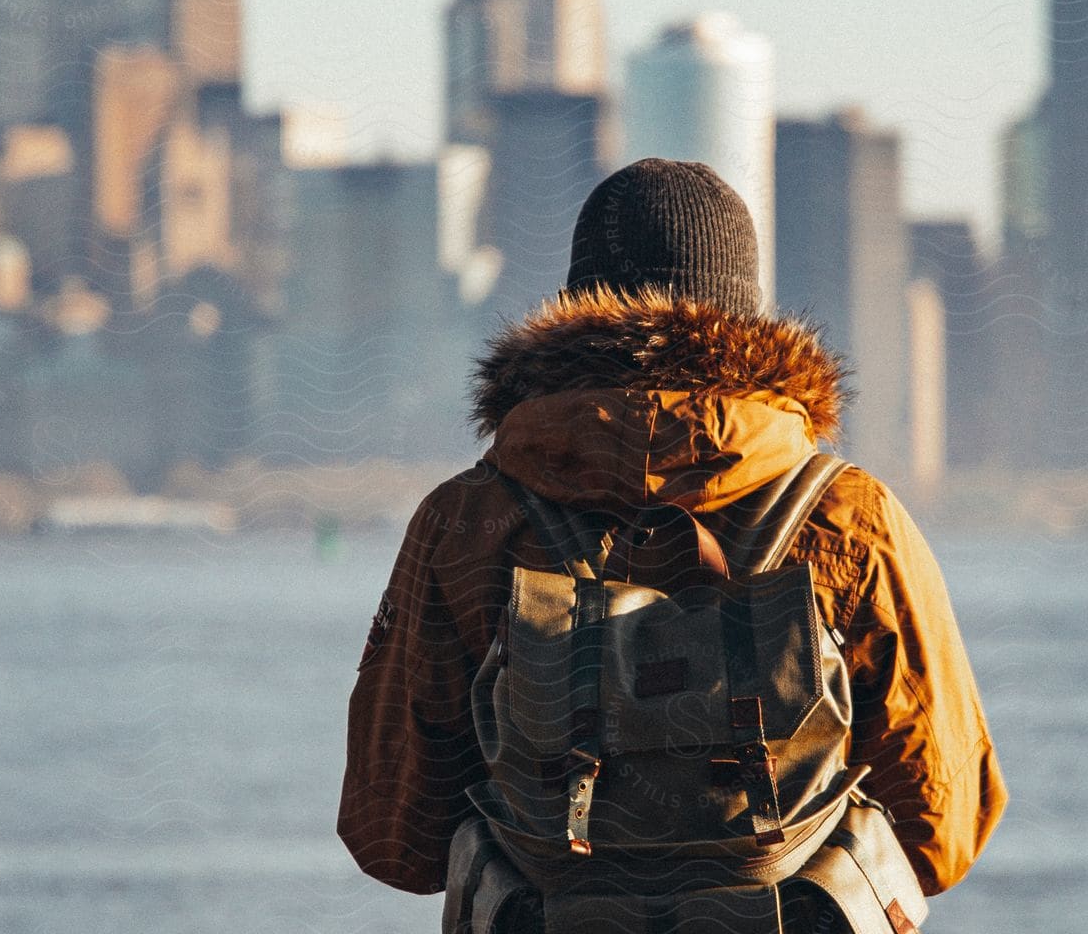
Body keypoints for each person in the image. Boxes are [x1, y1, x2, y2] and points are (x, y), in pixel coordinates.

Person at [339, 158, 1006, 927]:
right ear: (751, 317)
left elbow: (394, 836)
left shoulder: (465, 521)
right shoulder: (851, 518)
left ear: (571, 306)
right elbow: (944, 829)